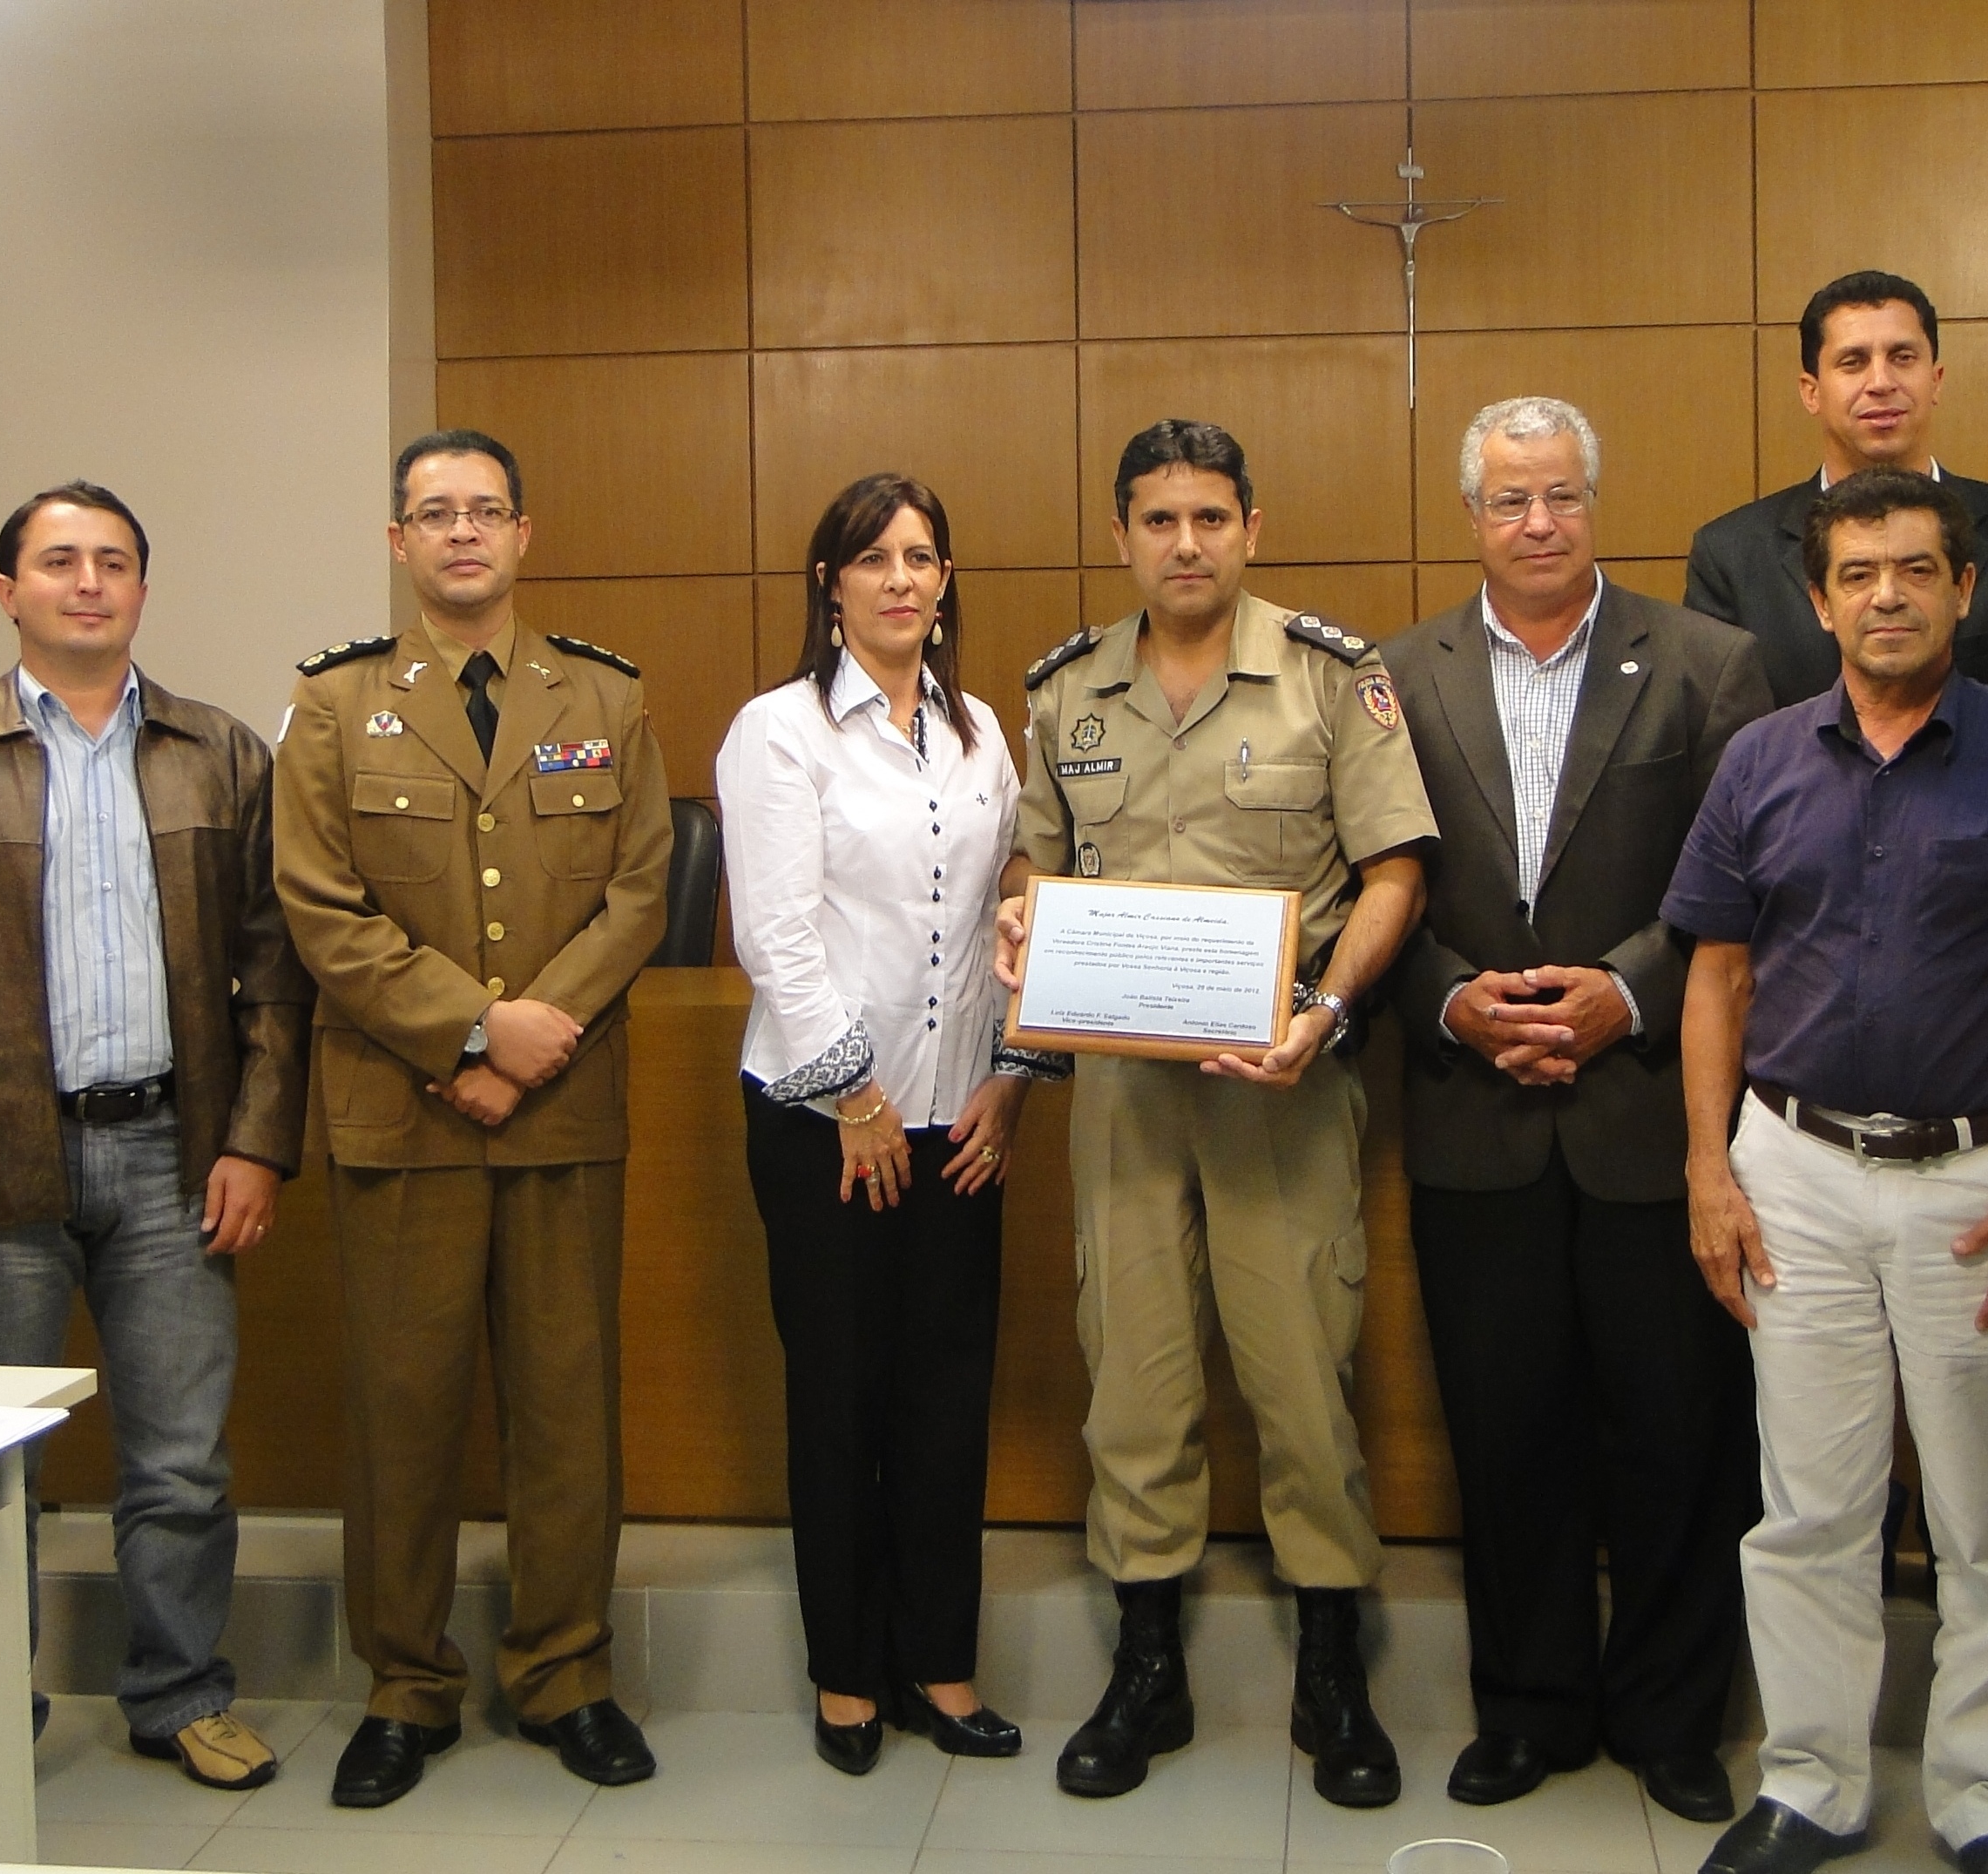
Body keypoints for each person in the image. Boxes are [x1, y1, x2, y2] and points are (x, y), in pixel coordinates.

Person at [1664, 468, 1988, 1874]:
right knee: (1809, 1500)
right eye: (1859, 572)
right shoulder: (1759, 758)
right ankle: (1809, 1779)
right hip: (1794, 1168)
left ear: (1963, 589)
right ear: (1818, 600)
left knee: (1984, 1508)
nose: (1888, 593)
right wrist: (1710, 1166)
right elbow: (1716, 972)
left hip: (1979, 1182)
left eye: (1916, 569)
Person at [995, 418, 1437, 1810]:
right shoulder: (1066, 693)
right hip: (1122, 1092)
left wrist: (1330, 1013)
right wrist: (1018, 909)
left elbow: (1394, 873)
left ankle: (1330, 1660)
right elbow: (1037, 857)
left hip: (1281, 1084)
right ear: (1122, 533)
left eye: (1210, 518)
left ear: (1251, 526)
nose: (1185, 543)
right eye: (1157, 519)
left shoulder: (1329, 679)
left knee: (1304, 1364)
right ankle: (1146, 1662)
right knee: (1133, 1365)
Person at [0, 482, 312, 1799]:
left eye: (114, 561)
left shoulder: (220, 753)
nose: (89, 582)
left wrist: (256, 1142)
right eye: (59, 561)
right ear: (8, 591)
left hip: (177, 1157)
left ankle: (178, 1694)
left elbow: (275, 971)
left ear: (143, 591)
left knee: (182, 1458)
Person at [1382, 396, 1771, 1821]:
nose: (1536, 524)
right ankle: (1528, 1705)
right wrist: (1449, 999)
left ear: (1594, 503)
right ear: (1471, 515)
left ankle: (1674, 1714)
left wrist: (1622, 991)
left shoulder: (1710, 666)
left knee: (1676, 1427)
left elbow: (1747, 882)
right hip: (1469, 1109)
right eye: (1508, 501)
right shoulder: (1393, 676)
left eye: (1559, 497)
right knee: (1507, 1426)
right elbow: (1369, 880)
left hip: (1652, 1111)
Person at [275, 428, 673, 1806]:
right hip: (404, 1107)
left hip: (560, 1108)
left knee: (568, 1407)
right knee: (405, 1411)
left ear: (524, 533)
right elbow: (321, 906)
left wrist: (532, 1033)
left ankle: (566, 1670)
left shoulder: (606, 698)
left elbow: (640, 886)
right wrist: (466, 1029)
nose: (461, 533)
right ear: (399, 541)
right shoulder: (332, 705)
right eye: (433, 513)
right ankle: (406, 1682)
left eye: (485, 511)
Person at [717, 471, 1053, 1776]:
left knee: (945, 1397)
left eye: (923, 555)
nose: (902, 578)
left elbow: (1006, 915)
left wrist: (1010, 1073)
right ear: (831, 582)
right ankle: (847, 1672)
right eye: (874, 557)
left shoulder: (979, 733)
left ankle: (940, 1663)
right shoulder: (780, 729)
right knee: (842, 1398)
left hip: (959, 1117)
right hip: (823, 1124)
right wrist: (854, 1091)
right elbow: (776, 932)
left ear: (946, 577)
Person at [1685, 270, 1988, 734]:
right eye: (1853, 362)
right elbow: (1722, 750)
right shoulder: (1730, 557)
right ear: (1811, 391)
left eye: (1902, 357)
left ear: (1936, 379)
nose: (1881, 382)